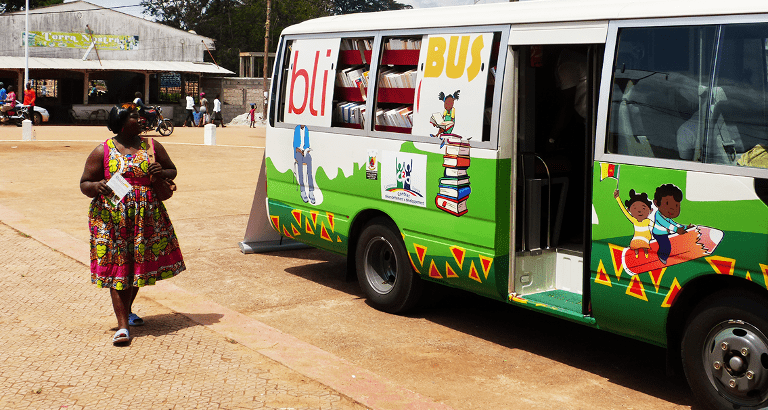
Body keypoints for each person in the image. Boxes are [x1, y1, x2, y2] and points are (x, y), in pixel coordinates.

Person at [79, 102, 185, 345]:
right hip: (111, 220)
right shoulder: (102, 150)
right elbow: (85, 183)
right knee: (118, 270)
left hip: (145, 219)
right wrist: (97, 187)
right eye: (134, 117)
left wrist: (162, 171)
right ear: (120, 122)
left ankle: (126, 312)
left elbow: (172, 170)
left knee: (136, 269)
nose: (140, 120)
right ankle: (123, 326)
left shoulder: (151, 146)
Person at [293, 124, 315, 204]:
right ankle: (303, 191)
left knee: (310, 170)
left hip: (305, 151)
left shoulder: (306, 129)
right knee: (301, 171)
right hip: (298, 151)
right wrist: (298, 152)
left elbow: (307, 143)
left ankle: (311, 191)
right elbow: (295, 144)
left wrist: (307, 150)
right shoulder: (297, 129)